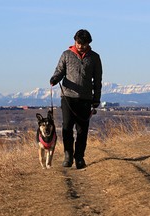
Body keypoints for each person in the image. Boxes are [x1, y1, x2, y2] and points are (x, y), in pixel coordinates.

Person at [50, 29, 103, 169]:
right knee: (67, 127)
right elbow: (59, 71)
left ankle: (79, 157)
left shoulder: (95, 58)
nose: (80, 46)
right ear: (75, 41)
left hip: (85, 99)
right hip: (68, 97)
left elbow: (97, 80)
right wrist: (55, 78)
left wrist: (96, 99)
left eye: (83, 44)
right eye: (78, 42)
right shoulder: (66, 55)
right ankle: (68, 155)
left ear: (88, 43)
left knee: (82, 130)